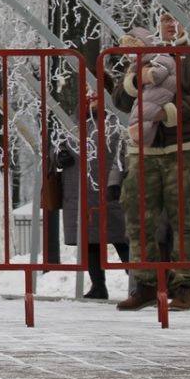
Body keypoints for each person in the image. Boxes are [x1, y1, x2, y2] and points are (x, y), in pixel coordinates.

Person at [112, 20, 190, 311]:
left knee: (185, 220)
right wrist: (135, 80)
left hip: (187, 148)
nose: (169, 28)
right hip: (145, 149)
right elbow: (121, 99)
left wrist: (170, 112)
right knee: (138, 214)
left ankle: (184, 288)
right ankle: (146, 284)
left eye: (174, 23)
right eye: (164, 23)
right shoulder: (141, 62)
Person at [55, 88, 129, 300]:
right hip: (78, 190)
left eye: (96, 96)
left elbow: (124, 151)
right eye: (88, 96)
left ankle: (136, 280)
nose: (91, 100)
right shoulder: (71, 122)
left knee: (121, 237)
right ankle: (98, 285)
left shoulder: (115, 122)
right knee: (90, 240)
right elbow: (56, 145)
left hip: (109, 187)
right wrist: (59, 156)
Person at [119, 28, 177, 147]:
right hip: (154, 97)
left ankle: (139, 137)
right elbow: (118, 100)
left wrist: (150, 74)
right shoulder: (134, 67)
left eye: (134, 51)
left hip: (161, 94)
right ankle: (140, 139)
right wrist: (135, 80)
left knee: (144, 112)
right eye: (129, 53)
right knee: (141, 111)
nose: (132, 56)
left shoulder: (159, 57)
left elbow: (160, 70)